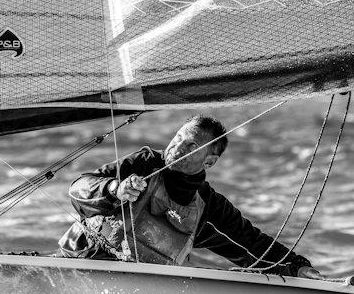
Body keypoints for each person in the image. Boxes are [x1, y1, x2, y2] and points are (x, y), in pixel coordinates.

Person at [59, 115, 323, 279]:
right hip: (79, 262)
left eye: (191, 145)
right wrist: (114, 190)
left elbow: (251, 244)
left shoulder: (207, 206)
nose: (177, 146)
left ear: (209, 161)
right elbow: (79, 188)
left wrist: (297, 267)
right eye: (178, 137)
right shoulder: (144, 163)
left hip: (135, 289)